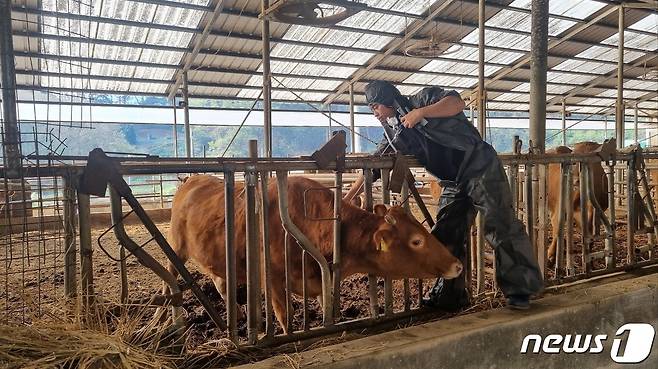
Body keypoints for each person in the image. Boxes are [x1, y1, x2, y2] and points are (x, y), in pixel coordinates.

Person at [343, 80, 543, 310]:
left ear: (388, 99)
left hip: (479, 166)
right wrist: (347, 201)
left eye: (376, 106)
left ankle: (520, 291)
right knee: (446, 233)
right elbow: (374, 167)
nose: (375, 113)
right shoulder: (393, 132)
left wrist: (420, 113)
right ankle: (450, 296)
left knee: (500, 224)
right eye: (371, 109)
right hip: (452, 181)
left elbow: (456, 103)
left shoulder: (423, 99)